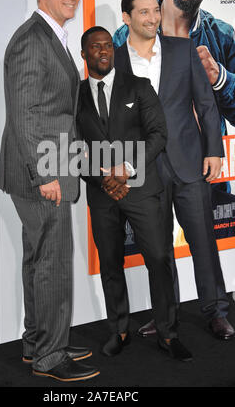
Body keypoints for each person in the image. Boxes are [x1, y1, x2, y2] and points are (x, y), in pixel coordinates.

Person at [0, 0, 99, 382]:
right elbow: (26, 114)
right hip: (43, 172)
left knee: (39, 259)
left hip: (46, 167)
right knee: (52, 261)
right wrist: (46, 175)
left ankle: (38, 341)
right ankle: (50, 356)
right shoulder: (30, 40)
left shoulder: (50, 36)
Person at [114, 0, 235, 340]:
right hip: (144, 168)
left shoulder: (184, 51)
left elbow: (206, 103)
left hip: (189, 161)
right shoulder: (117, 61)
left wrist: (214, 150)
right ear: (127, 18)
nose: (153, 18)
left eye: (156, 10)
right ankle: (165, 315)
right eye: (144, 12)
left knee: (202, 242)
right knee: (157, 248)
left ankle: (216, 311)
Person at [77, 25, 193, 362]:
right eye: (95, 47)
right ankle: (120, 330)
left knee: (159, 259)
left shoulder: (139, 87)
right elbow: (71, 147)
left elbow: (159, 134)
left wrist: (126, 169)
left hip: (142, 189)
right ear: (84, 55)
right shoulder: (77, 94)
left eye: (107, 46)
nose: (103, 51)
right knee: (111, 264)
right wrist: (103, 178)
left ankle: (168, 334)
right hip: (102, 195)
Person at [113, 0, 235, 167]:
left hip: (204, 174)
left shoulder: (223, 37)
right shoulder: (123, 38)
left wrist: (221, 78)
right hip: (148, 171)